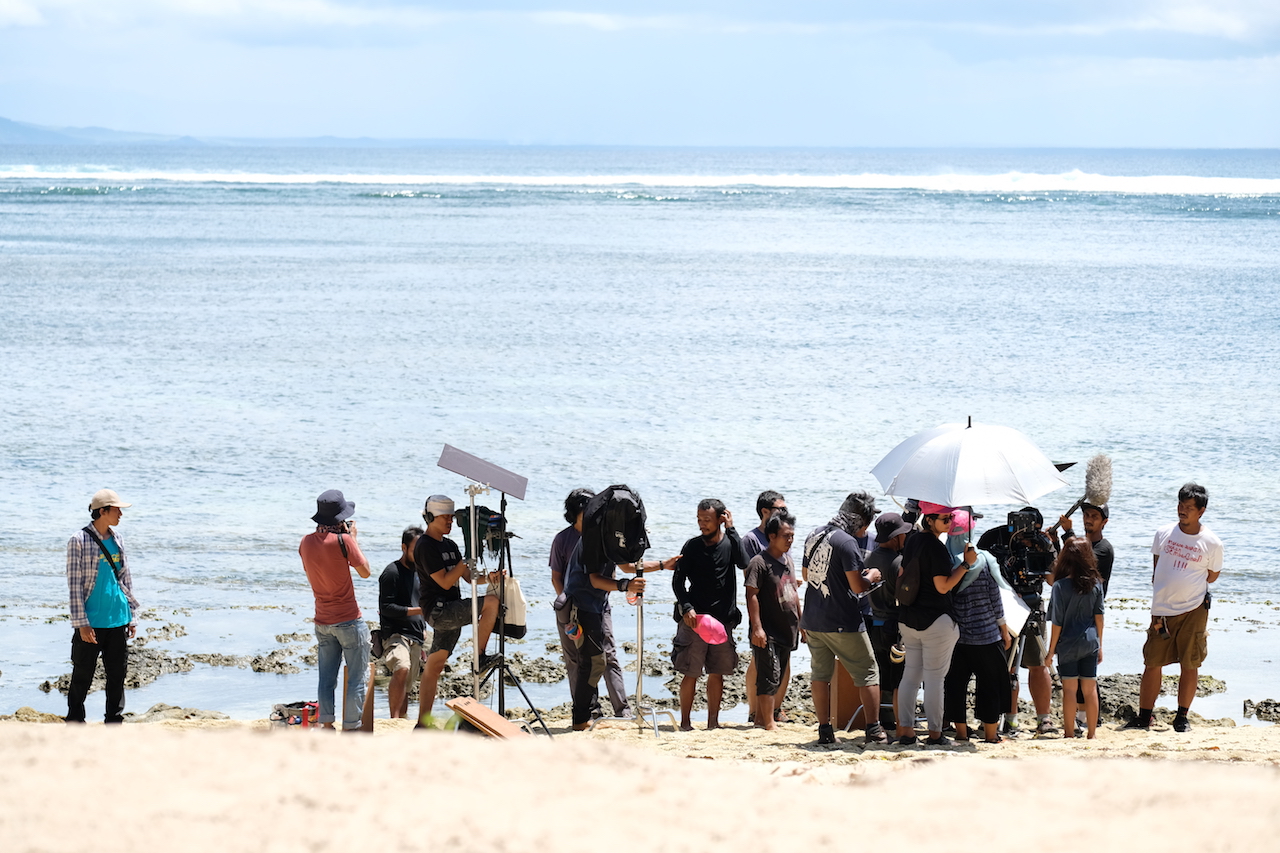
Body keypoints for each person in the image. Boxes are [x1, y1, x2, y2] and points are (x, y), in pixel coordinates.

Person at [1125, 482, 1223, 733]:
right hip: (1162, 610)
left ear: (1201, 511)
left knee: (1190, 663)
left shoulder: (1212, 543)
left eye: (1189, 507)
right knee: (1152, 661)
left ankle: (1182, 717)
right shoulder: (1163, 533)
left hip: (1194, 610)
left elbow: (1212, 576)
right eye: (1181, 505)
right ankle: (1144, 716)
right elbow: (1157, 567)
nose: (1183, 510)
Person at [801, 491, 888, 746]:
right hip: (843, 620)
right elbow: (858, 587)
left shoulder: (814, 534)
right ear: (859, 520)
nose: (866, 529)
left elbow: (806, 574)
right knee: (869, 672)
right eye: (867, 523)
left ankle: (825, 730)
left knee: (820, 675)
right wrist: (871, 577)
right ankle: (874, 729)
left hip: (814, 618)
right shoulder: (847, 543)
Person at [413, 494, 502, 726]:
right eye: (445, 518)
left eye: (452, 518)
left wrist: (488, 577)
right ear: (431, 517)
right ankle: (480, 657)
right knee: (492, 602)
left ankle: (422, 722)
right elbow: (443, 581)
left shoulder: (450, 545)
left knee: (434, 666)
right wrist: (466, 559)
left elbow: (467, 577)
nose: (450, 522)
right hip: (440, 610)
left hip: (451, 609)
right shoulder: (424, 546)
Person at [566, 537, 671, 730]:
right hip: (581, 604)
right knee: (591, 663)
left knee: (601, 660)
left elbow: (628, 566)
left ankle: (609, 713)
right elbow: (595, 580)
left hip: (597, 605)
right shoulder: (594, 537)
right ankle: (581, 719)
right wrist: (625, 586)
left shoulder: (609, 536)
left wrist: (663, 565)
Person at [978, 505, 1057, 736]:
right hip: (1003, 606)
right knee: (1006, 665)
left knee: (1038, 663)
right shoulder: (995, 537)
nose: (1026, 533)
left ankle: (1044, 719)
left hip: (1033, 604)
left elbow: (1053, 580)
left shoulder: (1043, 541)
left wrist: (1049, 547)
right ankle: (1009, 719)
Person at [896, 503, 971, 746]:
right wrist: (966, 564)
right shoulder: (936, 548)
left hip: (909, 618)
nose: (950, 522)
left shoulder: (912, 540)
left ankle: (906, 731)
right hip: (935, 620)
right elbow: (942, 586)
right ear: (929, 520)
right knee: (935, 679)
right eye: (944, 519)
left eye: (951, 518)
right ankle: (936, 734)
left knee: (911, 675)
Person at [551, 488, 628, 719]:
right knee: (577, 661)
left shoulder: (603, 535)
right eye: (588, 512)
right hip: (571, 608)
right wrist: (569, 609)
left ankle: (622, 710)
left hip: (600, 606)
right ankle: (587, 711)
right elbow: (557, 577)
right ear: (575, 514)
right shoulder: (563, 539)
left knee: (608, 656)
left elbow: (613, 571)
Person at [65, 489, 141, 724]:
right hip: (91, 623)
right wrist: (81, 624)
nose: (120, 514)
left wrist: (132, 615)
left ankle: (114, 722)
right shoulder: (78, 540)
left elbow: (125, 579)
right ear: (102, 511)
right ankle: (75, 721)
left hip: (118, 618)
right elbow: (74, 586)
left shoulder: (118, 539)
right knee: (82, 676)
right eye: (116, 509)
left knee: (117, 676)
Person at [299, 489, 372, 732]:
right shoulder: (344, 541)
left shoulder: (305, 543)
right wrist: (353, 538)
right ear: (340, 519)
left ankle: (327, 725)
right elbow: (365, 572)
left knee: (326, 678)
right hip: (349, 619)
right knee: (357, 679)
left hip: (322, 619)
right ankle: (350, 729)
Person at [671, 498, 746, 731]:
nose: (702, 524)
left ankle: (713, 723)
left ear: (720, 519)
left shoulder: (730, 543)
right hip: (695, 621)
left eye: (706, 520)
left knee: (717, 673)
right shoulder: (692, 546)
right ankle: (685, 723)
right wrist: (687, 607)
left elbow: (744, 562)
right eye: (699, 519)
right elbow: (677, 582)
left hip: (722, 622)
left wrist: (732, 529)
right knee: (690, 673)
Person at [942, 510, 1012, 744]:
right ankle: (991, 735)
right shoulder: (983, 560)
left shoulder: (946, 563)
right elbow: (995, 598)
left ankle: (961, 733)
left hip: (957, 638)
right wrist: (1003, 628)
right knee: (990, 684)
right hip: (987, 636)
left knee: (955, 686)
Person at [1055, 501, 1114, 729]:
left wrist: (1068, 534)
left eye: (1094, 516)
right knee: (1079, 673)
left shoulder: (1104, 549)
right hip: (1075, 609)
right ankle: (1081, 719)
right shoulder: (1080, 546)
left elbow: (1083, 566)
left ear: (1104, 522)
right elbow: (1064, 570)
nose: (1088, 519)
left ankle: (1089, 720)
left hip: (1090, 612)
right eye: (1086, 515)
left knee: (1087, 675)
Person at [744, 511, 801, 732]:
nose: (790, 540)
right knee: (769, 675)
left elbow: (793, 592)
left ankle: (761, 719)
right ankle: (768, 722)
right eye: (785, 536)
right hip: (767, 630)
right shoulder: (759, 562)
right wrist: (757, 628)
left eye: (792, 536)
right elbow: (752, 595)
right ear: (771, 536)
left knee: (779, 674)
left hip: (788, 628)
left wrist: (802, 623)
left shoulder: (788, 560)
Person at [1046, 538, 1105, 739]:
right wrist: (1100, 645)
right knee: (1090, 689)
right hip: (1090, 641)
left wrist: (1050, 650)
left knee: (1070, 690)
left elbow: (1057, 623)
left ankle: (1069, 733)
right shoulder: (1096, 584)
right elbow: (1099, 618)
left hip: (1068, 644)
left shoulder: (1060, 586)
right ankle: (1092, 734)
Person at [741, 490, 790, 724]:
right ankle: (755, 711)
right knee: (759, 661)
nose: (785, 512)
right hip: (762, 610)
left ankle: (776, 709)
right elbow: (750, 578)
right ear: (765, 511)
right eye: (780, 509)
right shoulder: (751, 540)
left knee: (784, 659)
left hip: (782, 609)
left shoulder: (783, 534)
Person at [864, 512, 912, 731]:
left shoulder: (869, 558)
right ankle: (901, 723)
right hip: (895, 627)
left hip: (874, 624)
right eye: (902, 533)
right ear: (895, 537)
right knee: (899, 680)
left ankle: (884, 719)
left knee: (881, 675)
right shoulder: (899, 562)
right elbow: (906, 597)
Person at [378, 526, 426, 719]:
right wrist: (419, 611)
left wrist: (423, 627)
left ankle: (402, 719)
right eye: (415, 550)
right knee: (402, 667)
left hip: (416, 635)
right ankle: (394, 719)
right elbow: (387, 607)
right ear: (404, 548)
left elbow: (418, 600)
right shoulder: (392, 572)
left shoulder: (420, 572)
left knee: (408, 684)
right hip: (395, 635)